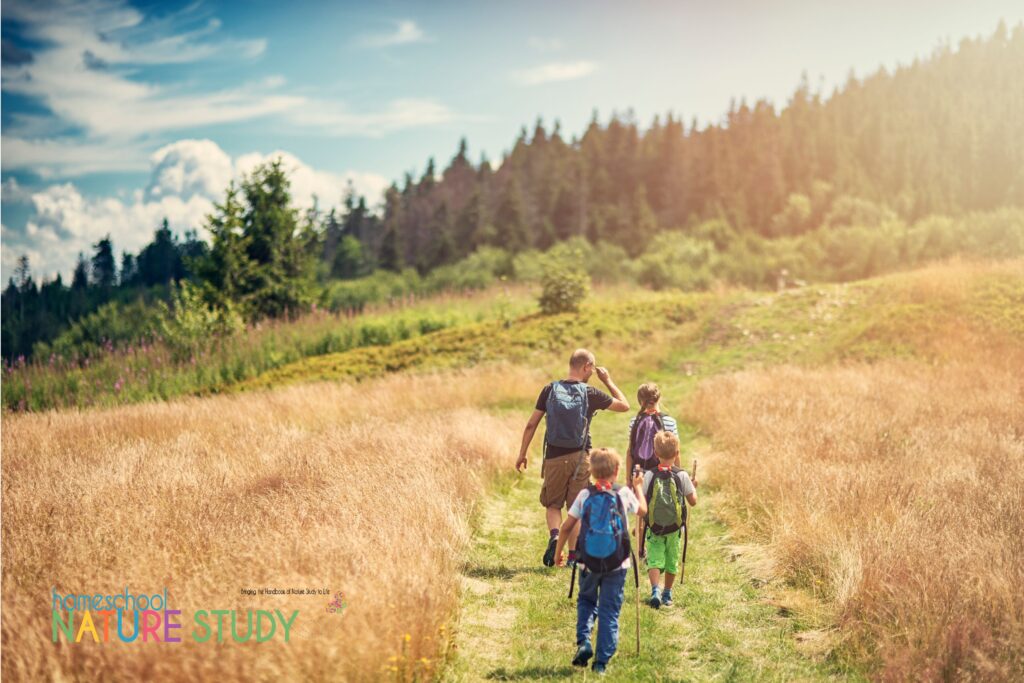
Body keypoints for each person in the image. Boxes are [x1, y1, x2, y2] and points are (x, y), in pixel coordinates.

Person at [515, 349, 629, 568]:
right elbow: (624, 405)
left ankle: (555, 536)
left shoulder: (549, 389)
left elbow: (532, 424)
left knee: (552, 504)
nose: (593, 373)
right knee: (576, 507)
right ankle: (573, 557)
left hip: (554, 457)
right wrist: (608, 380)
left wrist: (522, 453)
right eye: (593, 369)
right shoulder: (589, 392)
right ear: (586, 366)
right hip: (580, 458)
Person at [554, 448, 646, 675]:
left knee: (586, 601)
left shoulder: (585, 495)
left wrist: (559, 553)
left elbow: (566, 526)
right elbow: (642, 511)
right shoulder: (623, 493)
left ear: (591, 472)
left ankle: (584, 641)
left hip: (587, 561)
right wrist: (639, 487)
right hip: (618, 564)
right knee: (609, 611)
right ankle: (601, 663)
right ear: (616, 470)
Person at [642, 431, 697, 609]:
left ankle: (655, 590)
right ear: (677, 453)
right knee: (672, 560)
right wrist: (693, 488)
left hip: (654, 527)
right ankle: (667, 593)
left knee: (654, 559)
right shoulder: (682, 475)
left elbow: (642, 500)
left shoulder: (649, 475)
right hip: (675, 528)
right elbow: (692, 502)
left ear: (655, 453)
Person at [626, 382, 679, 559]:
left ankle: (641, 550)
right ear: (659, 398)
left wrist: (628, 478)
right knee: (657, 508)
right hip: (661, 472)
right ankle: (657, 543)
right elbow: (674, 450)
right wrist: (677, 472)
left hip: (639, 472)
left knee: (641, 512)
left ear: (639, 400)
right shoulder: (669, 421)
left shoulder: (634, 422)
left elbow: (629, 452)